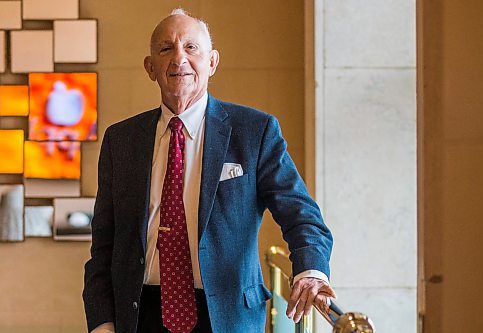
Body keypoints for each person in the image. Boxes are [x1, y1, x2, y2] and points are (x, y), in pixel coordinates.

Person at [83, 8, 335, 333]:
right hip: (139, 313)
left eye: (191, 48)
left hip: (226, 314)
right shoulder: (121, 140)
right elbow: (104, 243)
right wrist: (102, 322)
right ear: (150, 68)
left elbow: (301, 214)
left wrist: (311, 269)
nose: (179, 59)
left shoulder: (254, 131)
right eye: (166, 49)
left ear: (212, 62)